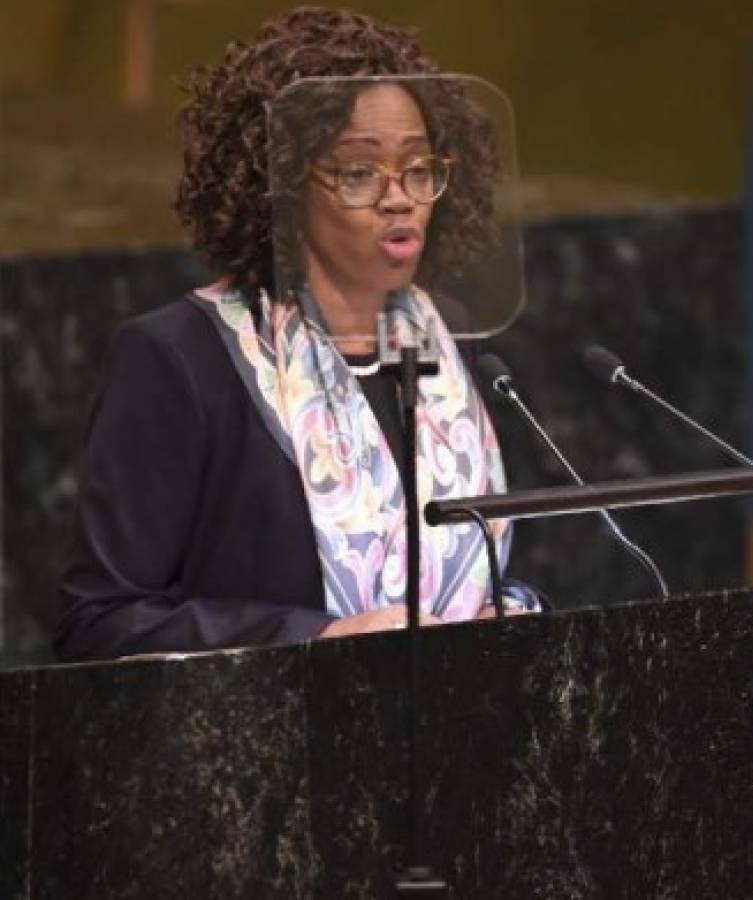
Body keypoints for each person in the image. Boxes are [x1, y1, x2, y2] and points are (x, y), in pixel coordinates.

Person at [55, 7, 534, 661]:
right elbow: (101, 622)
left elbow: (467, 569)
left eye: (420, 168)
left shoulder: (450, 338)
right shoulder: (181, 357)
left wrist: (513, 611)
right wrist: (318, 639)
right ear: (279, 187)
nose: (401, 198)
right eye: (361, 172)